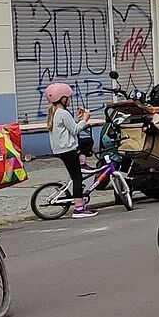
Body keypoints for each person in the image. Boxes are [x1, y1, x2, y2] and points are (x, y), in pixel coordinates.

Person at [44, 82, 96, 219]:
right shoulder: (62, 112)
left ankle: (82, 161)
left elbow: (70, 128)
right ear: (62, 99)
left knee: (85, 142)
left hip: (60, 149)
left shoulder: (53, 112)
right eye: (68, 97)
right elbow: (75, 130)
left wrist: (78, 120)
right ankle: (79, 208)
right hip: (68, 149)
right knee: (77, 177)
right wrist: (85, 119)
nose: (70, 100)